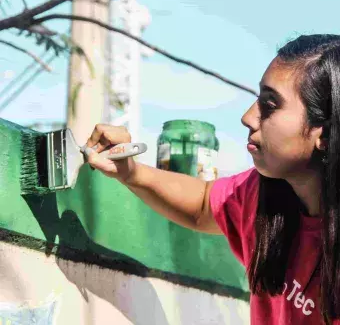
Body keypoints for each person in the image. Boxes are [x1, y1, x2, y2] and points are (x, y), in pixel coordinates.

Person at [85, 34, 340, 325]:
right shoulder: (262, 195)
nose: (247, 117)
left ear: (327, 134)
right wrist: (131, 172)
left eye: (270, 105)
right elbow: (205, 204)